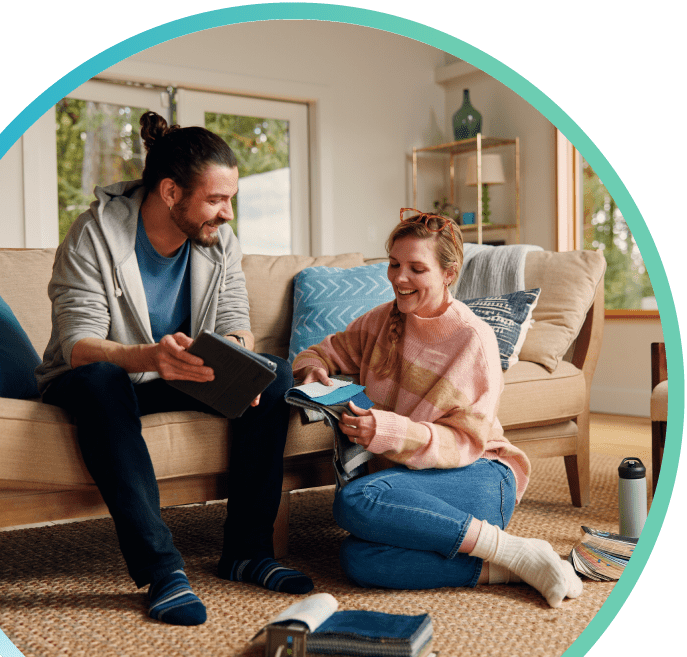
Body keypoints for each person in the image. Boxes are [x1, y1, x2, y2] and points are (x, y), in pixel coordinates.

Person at [36, 112, 313, 627]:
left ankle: (248, 553)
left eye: (230, 199)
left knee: (272, 375)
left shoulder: (218, 240)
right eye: (215, 199)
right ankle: (162, 571)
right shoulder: (94, 234)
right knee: (103, 381)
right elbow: (78, 344)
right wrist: (148, 356)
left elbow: (237, 321)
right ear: (169, 192)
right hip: (100, 378)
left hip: (177, 374)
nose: (227, 213)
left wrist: (235, 360)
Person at [291, 210, 583, 608]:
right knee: (358, 558)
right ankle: (511, 564)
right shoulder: (381, 321)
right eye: (394, 264)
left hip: (480, 476)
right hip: (413, 482)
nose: (399, 278)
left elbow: (465, 442)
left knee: (354, 502)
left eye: (416, 268)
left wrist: (389, 432)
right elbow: (318, 351)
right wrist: (313, 370)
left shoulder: (473, 339)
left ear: (448, 274)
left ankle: (509, 546)